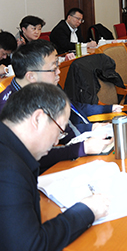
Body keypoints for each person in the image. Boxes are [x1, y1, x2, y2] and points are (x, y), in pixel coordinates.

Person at [0, 82, 109, 251]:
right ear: (38, 119)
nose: (57, 141)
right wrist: (86, 211)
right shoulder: (9, 171)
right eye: (60, 130)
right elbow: (31, 247)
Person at [0, 40, 114, 172]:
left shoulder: (40, 89)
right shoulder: (9, 109)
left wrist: (88, 137)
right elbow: (33, 155)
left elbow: (65, 132)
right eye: (54, 69)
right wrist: (81, 148)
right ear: (31, 76)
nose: (59, 72)